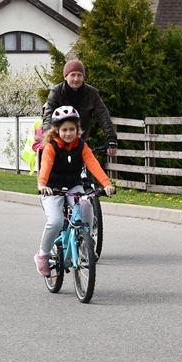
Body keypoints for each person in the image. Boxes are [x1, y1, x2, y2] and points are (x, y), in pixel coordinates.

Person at [35, 105, 115, 277]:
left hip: (74, 186)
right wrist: (42, 185)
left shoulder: (81, 146)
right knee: (55, 221)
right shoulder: (51, 147)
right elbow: (46, 166)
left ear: (77, 129)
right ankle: (42, 255)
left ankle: (85, 244)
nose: (68, 133)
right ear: (57, 130)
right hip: (52, 188)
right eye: (64, 130)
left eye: (72, 129)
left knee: (86, 206)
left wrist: (106, 183)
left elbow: (93, 164)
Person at [42, 59, 118, 156]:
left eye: (79, 75)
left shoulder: (92, 93)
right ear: (65, 77)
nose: (76, 79)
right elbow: (48, 115)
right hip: (59, 141)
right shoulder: (56, 92)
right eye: (73, 75)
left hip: (80, 142)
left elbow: (103, 116)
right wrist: (50, 139)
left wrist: (111, 138)